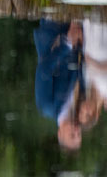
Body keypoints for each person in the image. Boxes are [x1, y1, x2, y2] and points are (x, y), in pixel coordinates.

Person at [33, 18, 84, 150]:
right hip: (78, 30)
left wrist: (67, 43)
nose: (77, 130)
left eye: (72, 135)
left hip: (53, 31)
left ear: (60, 134)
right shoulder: (79, 106)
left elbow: (44, 70)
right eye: (79, 134)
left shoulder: (47, 106)